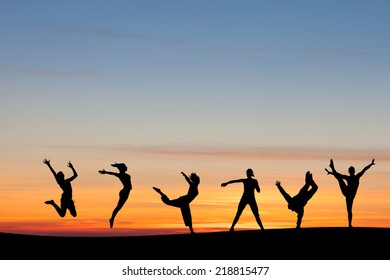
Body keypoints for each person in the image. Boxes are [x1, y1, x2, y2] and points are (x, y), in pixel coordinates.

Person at [325, 158, 375, 228]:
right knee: (339, 178)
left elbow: (364, 169)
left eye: (351, 170)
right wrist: (371, 164)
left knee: (349, 210)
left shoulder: (354, 177)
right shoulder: (354, 177)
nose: (351, 171)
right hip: (347, 193)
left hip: (348, 194)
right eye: (351, 170)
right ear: (351, 171)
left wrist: (371, 164)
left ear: (352, 171)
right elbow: (364, 169)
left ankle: (349, 224)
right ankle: (349, 224)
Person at [99, 162, 132, 228]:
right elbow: (113, 173)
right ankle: (112, 218)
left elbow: (113, 173)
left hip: (125, 192)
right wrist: (106, 172)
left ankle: (112, 218)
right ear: (123, 169)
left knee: (118, 207)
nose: (126, 168)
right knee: (118, 207)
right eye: (125, 167)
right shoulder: (122, 175)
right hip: (125, 192)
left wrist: (106, 172)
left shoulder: (123, 175)